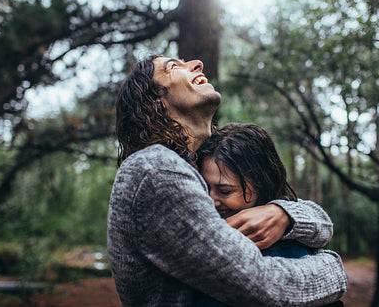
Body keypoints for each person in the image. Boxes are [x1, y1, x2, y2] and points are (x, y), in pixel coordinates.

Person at [107, 55, 347, 306]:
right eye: (173, 67)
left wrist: (284, 215)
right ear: (155, 102)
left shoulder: (196, 165)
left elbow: (321, 223)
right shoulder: (157, 169)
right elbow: (263, 286)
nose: (198, 63)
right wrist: (334, 271)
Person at [195, 123, 336, 306]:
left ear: (260, 184)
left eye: (225, 191)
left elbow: (324, 225)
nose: (209, 200)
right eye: (204, 187)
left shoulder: (285, 247)